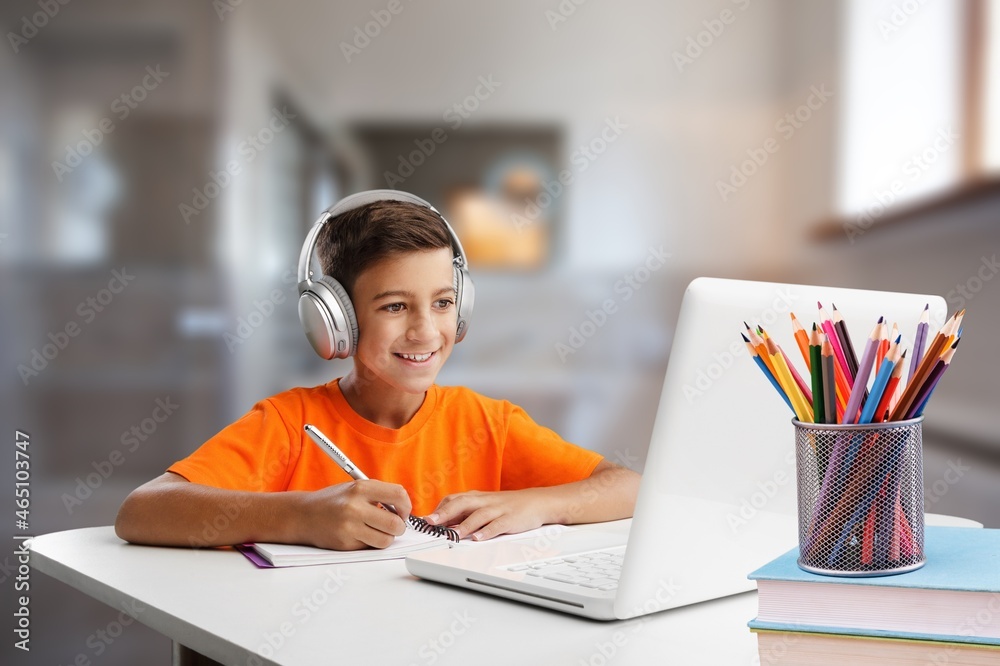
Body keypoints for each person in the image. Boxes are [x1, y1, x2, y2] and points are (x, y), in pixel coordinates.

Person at [115, 190, 640, 551]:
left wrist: (539, 505)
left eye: (442, 303)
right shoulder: (290, 423)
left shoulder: (488, 424)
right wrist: (301, 517)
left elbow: (630, 488)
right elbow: (144, 510)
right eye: (394, 306)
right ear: (335, 321)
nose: (425, 331)